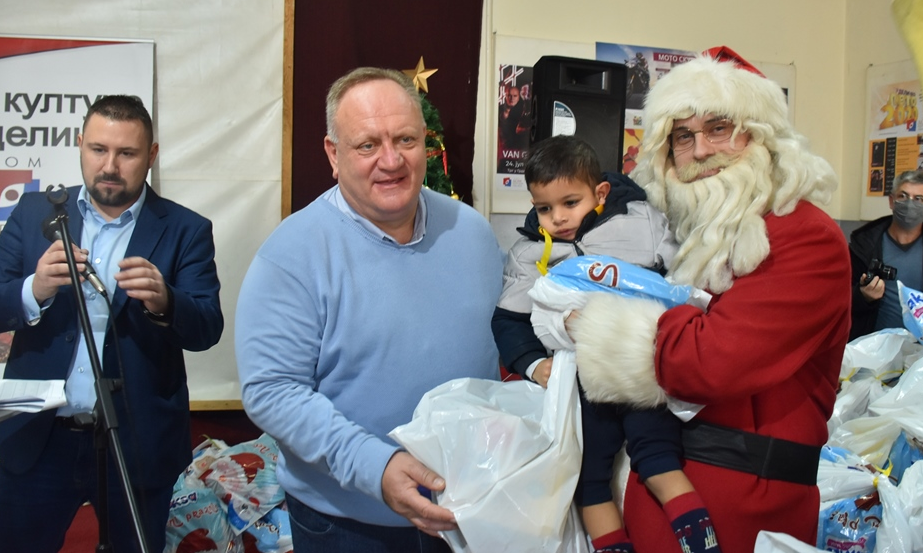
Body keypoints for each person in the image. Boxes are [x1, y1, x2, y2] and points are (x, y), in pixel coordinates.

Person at [563, 52, 852, 553]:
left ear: (761, 135)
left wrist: (598, 325)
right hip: (665, 486)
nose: (700, 151)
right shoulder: (691, 235)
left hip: (740, 509)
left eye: (719, 128)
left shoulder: (805, 235)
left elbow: (706, 362)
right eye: (683, 136)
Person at [235, 67, 504, 553]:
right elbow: (271, 390)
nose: (391, 160)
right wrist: (373, 466)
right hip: (349, 524)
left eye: (405, 138)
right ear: (332, 154)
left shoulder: (473, 233)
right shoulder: (290, 255)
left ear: (426, 142)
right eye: (367, 145)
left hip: (470, 508)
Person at [0, 95, 224, 553]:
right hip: (37, 441)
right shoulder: (33, 212)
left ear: (152, 156)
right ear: (79, 143)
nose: (110, 165)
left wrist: (166, 301)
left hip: (136, 443)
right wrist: (35, 289)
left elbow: (207, 328)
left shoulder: (185, 229)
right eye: (98, 149)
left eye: (127, 154)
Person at [492, 135, 719, 553]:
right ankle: (612, 545)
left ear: (599, 193)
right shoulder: (528, 251)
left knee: (658, 457)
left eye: (570, 203)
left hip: (639, 367)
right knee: (588, 474)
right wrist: (531, 364)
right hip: (581, 382)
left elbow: (683, 278)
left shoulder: (640, 221)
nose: (557, 218)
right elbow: (509, 319)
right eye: (544, 208)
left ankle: (700, 541)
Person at [849, 169, 923, 340]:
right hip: (873, 347)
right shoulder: (864, 244)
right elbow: (840, 299)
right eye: (903, 196)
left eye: (919, 199)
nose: (909, 203)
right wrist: (863, 296)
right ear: (892, 201)